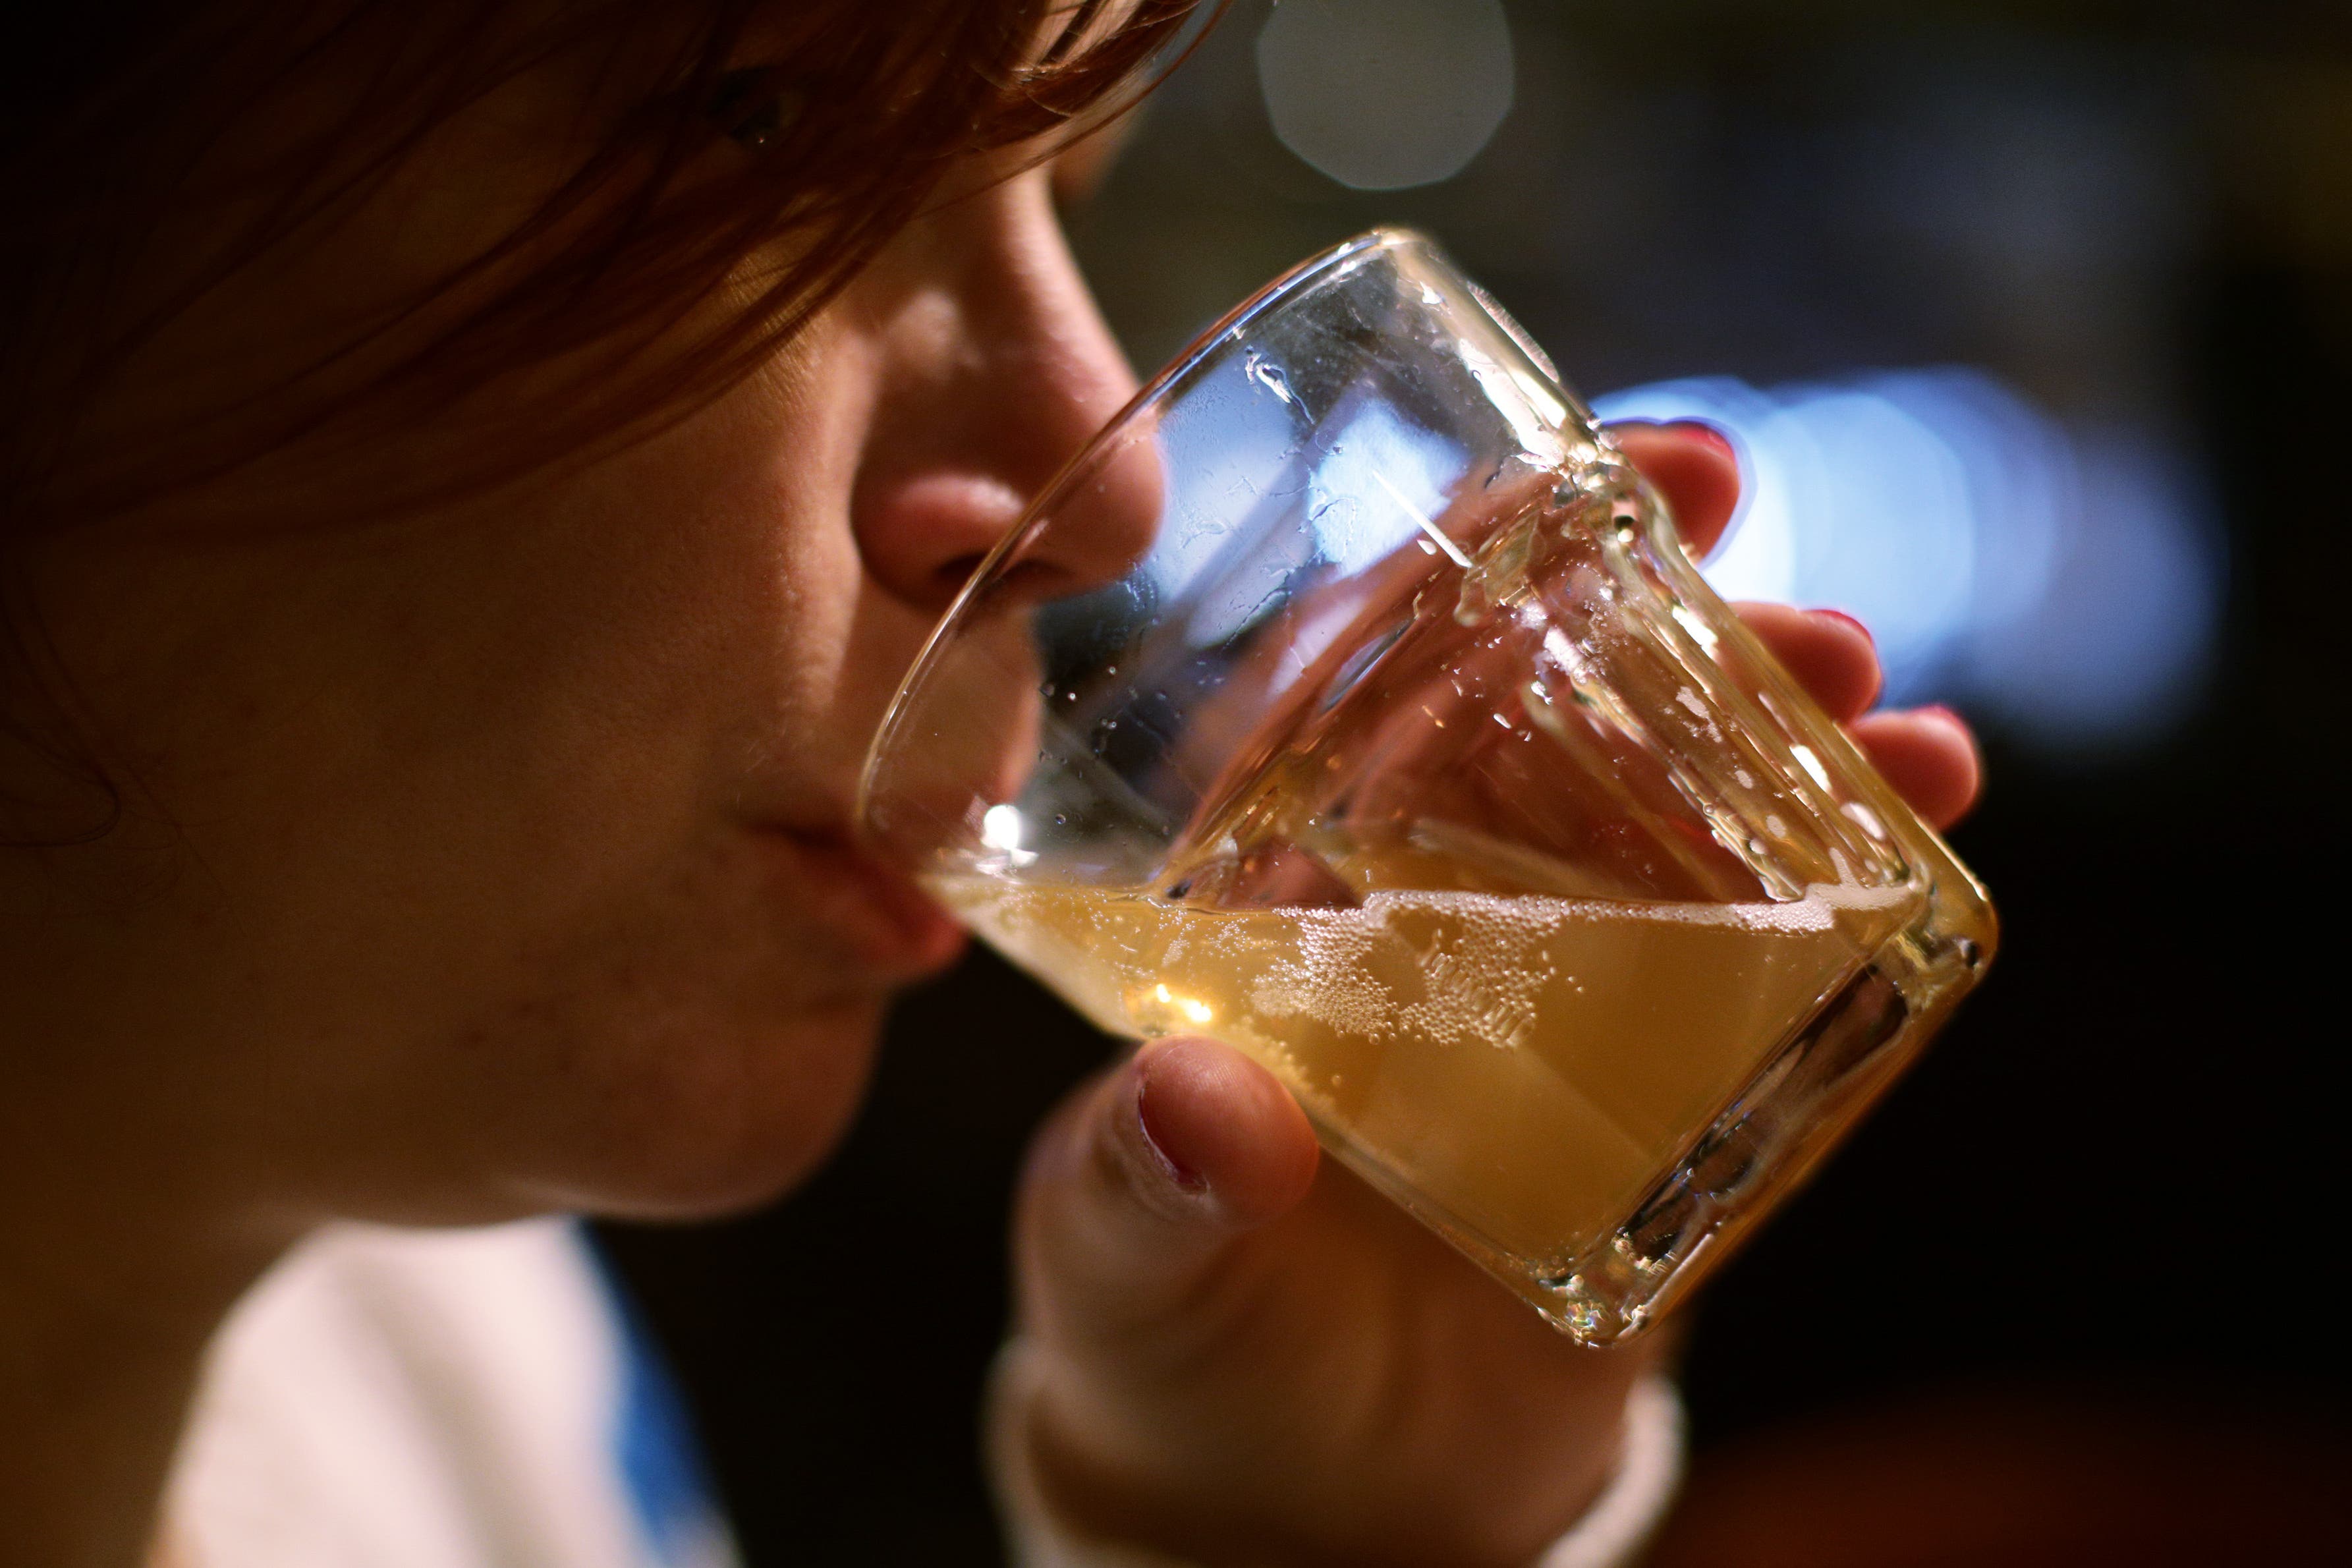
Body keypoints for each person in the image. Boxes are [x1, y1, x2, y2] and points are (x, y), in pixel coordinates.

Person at [0, 1, 1982, 1565]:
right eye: (757, 123)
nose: (1099, 483)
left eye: (1068, 208)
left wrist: (1272, 1536)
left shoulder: (455, 1365)